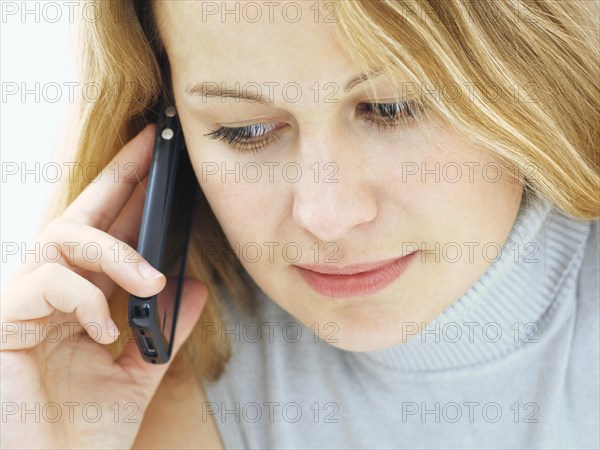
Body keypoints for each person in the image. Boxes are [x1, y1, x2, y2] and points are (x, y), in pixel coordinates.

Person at [1, 0, 598, 448]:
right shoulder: (161, 382)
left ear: (530, 78)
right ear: (170, 134)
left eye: (392, 108)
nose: (326, 216)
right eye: (246, 130)